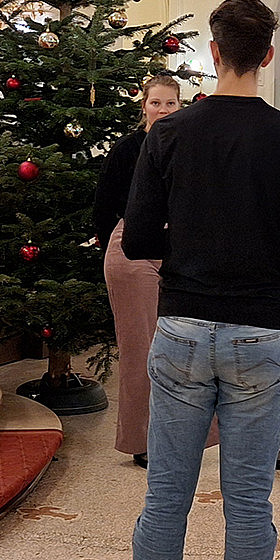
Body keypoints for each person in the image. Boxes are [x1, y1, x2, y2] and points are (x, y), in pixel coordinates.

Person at [101, 0, 280, 560]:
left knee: (166, 494)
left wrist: (196, 244)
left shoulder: (171, 133)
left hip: (184, 327)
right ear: (266, 55)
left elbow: (137, 238)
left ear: (212, 48)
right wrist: (261, 254)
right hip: (262, 328)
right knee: (249, 501)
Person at [93, 73, 186, 466]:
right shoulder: (127, 149)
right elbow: (103, 207)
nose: (163, 110)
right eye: (156, 103)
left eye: (170, 104)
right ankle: (142, 440)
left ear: (180, 105)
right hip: (132, 254)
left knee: (187, 347)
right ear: (143, 105)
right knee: (141, 350)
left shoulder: (187, 146)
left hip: (180, 250)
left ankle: (194, 436)